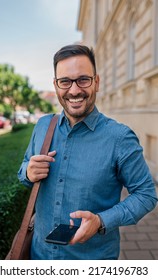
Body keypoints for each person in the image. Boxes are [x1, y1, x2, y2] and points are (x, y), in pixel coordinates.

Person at [18, 44, 157, 260]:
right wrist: (28, 171)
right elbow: (24, 169)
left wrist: (102, 221)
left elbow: (146, 195)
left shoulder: (120, 138)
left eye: (83, 79)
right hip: (40, 256)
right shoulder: (43, 126)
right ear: (56, 85)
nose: (74, 90)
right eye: (65, 81)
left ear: (97, 82)